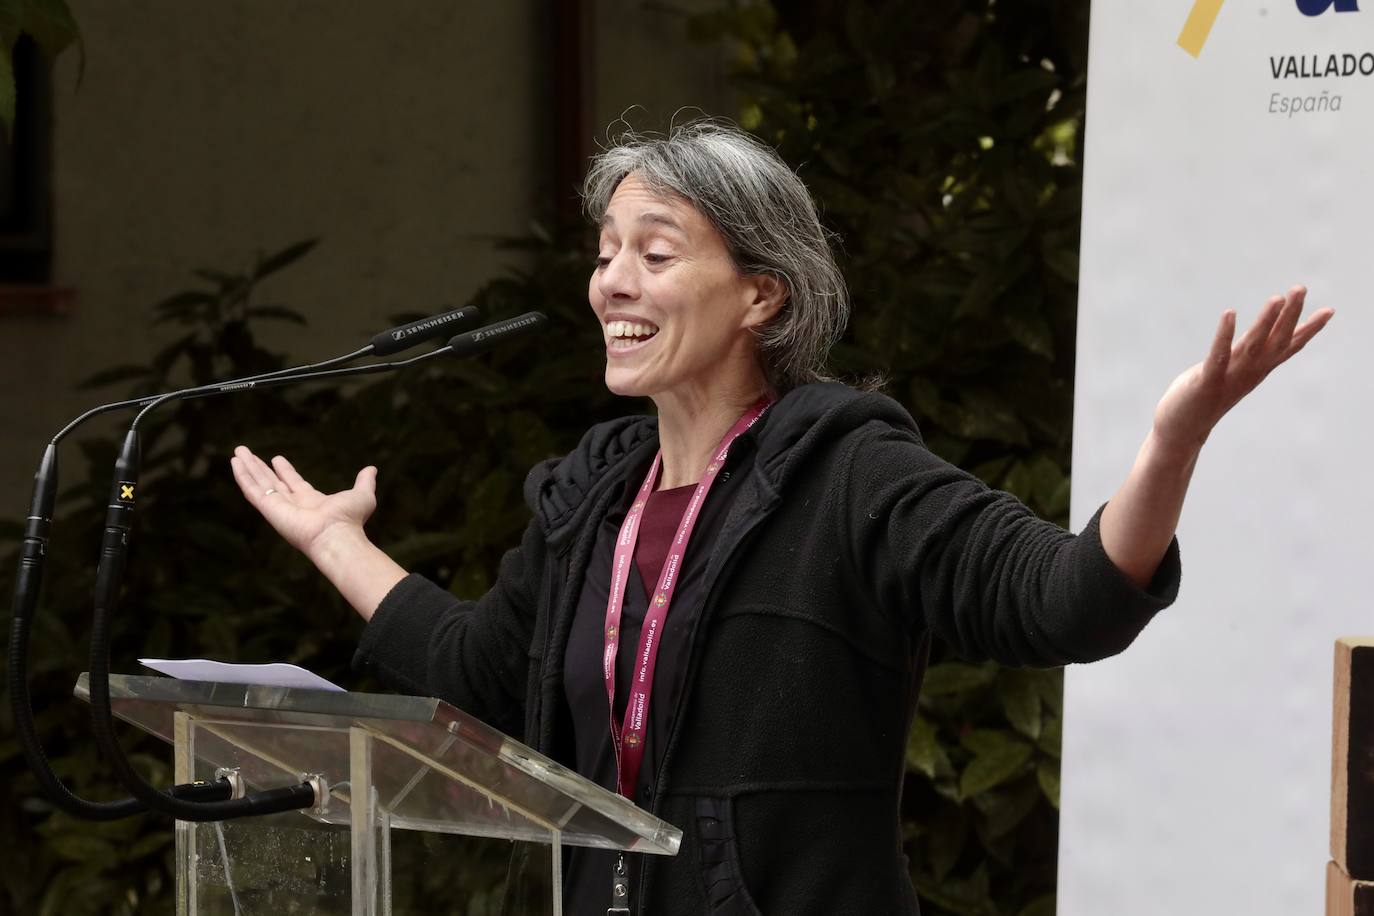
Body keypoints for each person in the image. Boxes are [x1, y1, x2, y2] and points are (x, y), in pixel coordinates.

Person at [229, 121, 1333, 915]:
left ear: (763, 294)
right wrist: (337, 541)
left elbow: (1069, 598)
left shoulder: (851, 471)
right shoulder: (592, 499)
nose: (613, 281)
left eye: (654, 254)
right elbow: (478, 670)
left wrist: (1173, 442)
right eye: (606, 251)